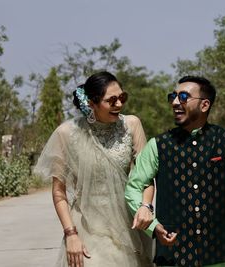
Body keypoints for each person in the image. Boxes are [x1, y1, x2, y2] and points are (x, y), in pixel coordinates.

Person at [125, 76, 225, 267]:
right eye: (173, 96)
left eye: (183, 97)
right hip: (173, 255)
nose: (175, 102)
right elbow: (134, 186)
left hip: (221, 253)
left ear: (204, 105)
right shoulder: (157, 145)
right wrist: (152, 225)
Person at [34, 71, 154, 267]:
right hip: (87, 229)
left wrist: (146, 206)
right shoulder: (67, 133)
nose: (119, 104)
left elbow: (146, 177)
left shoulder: (132, 125)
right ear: (92, 103)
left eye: (122, 97)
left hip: (129, 227)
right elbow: (59, 191)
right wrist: (70, 234)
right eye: (111, 100)